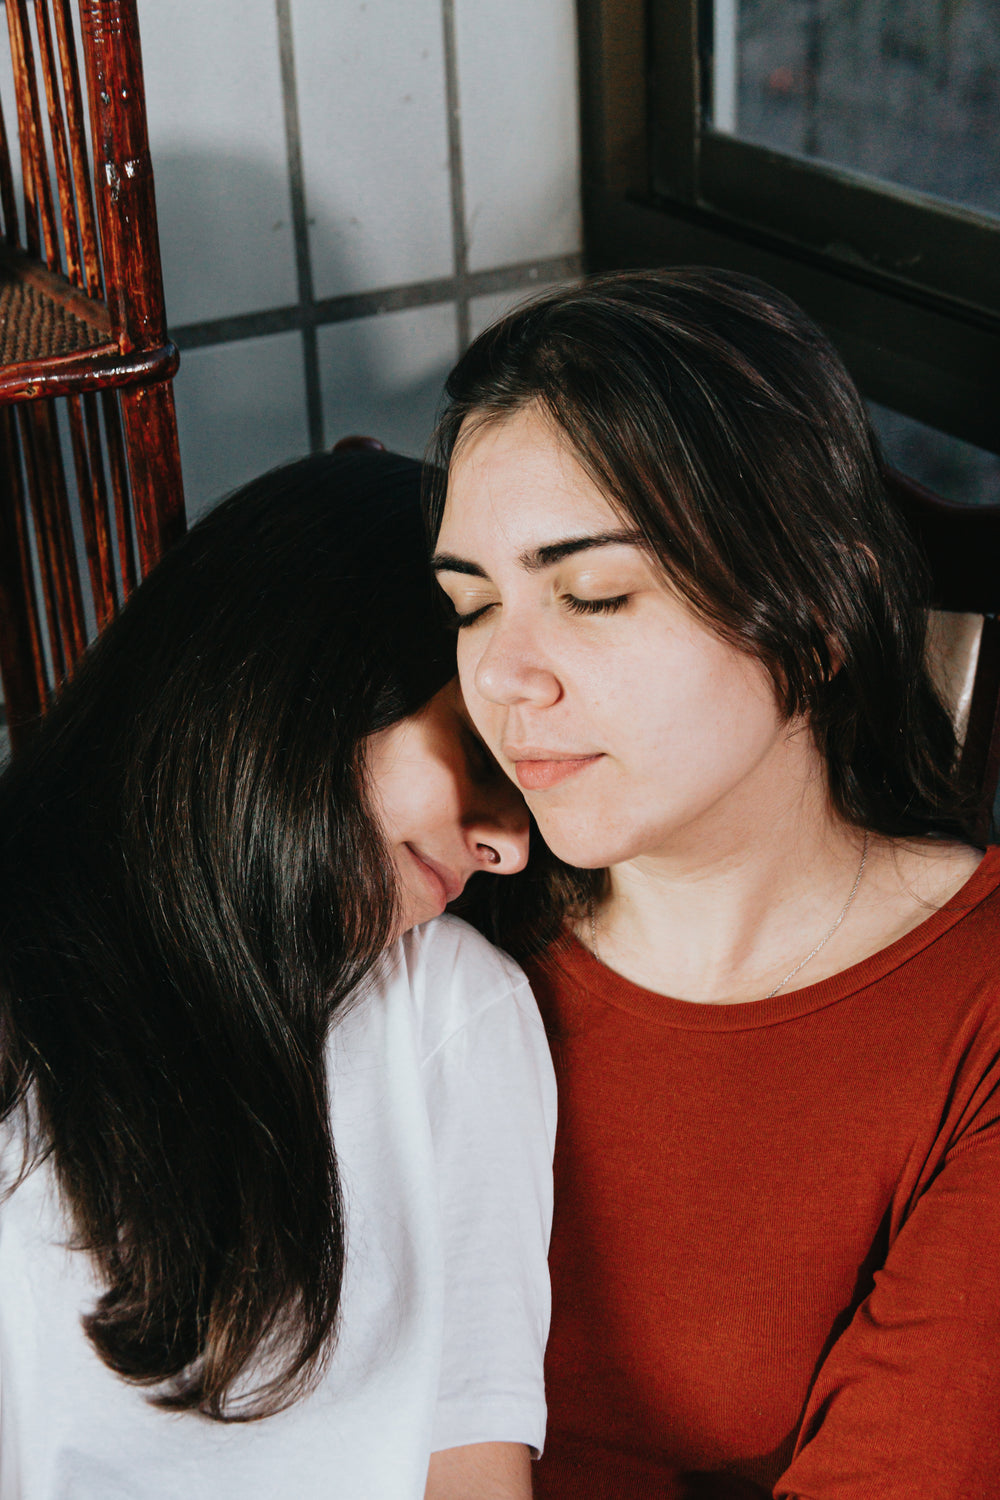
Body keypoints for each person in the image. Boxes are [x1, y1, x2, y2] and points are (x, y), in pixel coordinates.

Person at [424, 268, 1000, 1499]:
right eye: (471, 608)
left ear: (815, 610)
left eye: (594, 594)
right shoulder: (440, 913)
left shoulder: (974, 1013)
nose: (507, 678)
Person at [0, 449, 556, 1500]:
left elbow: (475, 1455)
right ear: (314, 681)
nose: (509, 849)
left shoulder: (452, 1010)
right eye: (482, 756)